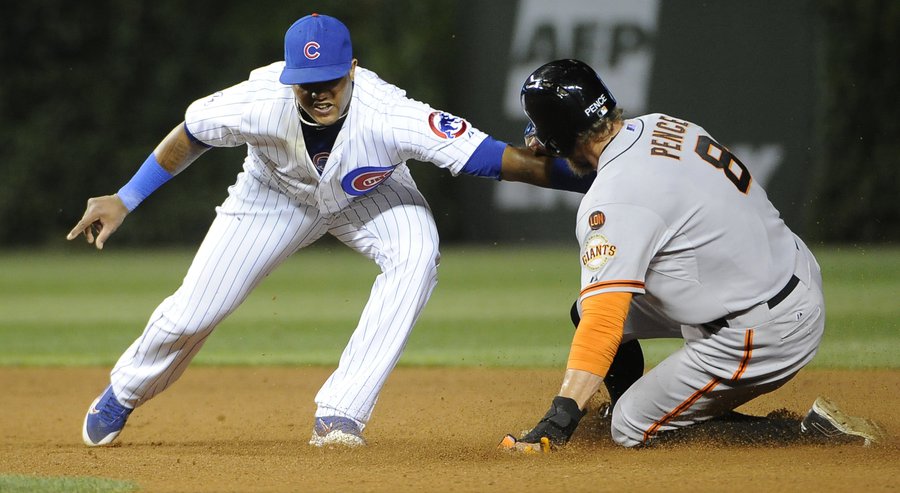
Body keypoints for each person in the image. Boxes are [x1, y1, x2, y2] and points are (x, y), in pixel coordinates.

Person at [68, 14, 590, 448]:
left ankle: (341, 413)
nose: (319, 92)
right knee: (194, 310)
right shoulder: (257, 99)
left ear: (354, 70)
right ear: (290, 75)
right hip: (274, 195)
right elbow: (193, 133)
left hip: (372, 196)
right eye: (307, 82)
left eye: (331, 80)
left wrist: (597, 177)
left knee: (417, 251)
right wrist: (125, 197)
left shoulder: (389, 113)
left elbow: (495, 161)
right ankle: (125, 390)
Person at [499, 59, 885, 453]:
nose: (535, 140)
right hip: (782, 272)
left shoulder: (613, 200)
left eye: (541, 129)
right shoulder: (660, 124)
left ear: (562, 134)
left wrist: (559, 418)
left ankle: (806, 435)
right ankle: (657, 405)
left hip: (764, 329)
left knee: (629, 426)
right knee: (585, 306)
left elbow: (604, 322)